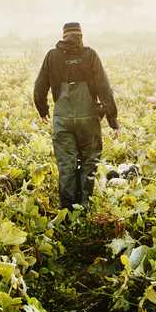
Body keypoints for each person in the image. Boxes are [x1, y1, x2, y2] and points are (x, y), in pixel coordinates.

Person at [33, 22, 119, 209]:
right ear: (81, 36)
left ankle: (67, 212)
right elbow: (104, 88)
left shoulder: (52, 56)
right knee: (89, 163)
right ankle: (84, 207)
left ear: (63, 36)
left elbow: (39, 87)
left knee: (66, 166)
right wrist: (113, 120)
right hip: (88, 118)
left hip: (62, 118)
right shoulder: (90, 55)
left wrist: (43, 111)